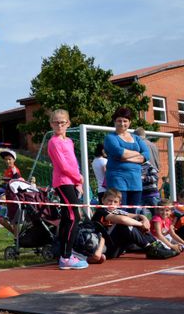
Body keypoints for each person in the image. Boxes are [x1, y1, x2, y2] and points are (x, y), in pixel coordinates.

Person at [47, 109, 88, 270]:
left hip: (72, 181)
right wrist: (78, 178)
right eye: (56, 122)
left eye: (62, 122)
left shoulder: (69, 141)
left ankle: (64, 253)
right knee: (73, 216)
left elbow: (73, 162)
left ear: (68, 123)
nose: (59, 125)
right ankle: (66, 257)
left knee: (67, 217)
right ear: (51, 124)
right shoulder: (54, 142)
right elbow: (63, 166)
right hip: (63, 182)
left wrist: (78, 182)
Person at [92, 188, 175, 259]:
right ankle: (149, 248)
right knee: (124, 224)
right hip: (105, 247)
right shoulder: (101, 211)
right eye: (109, 201)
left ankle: (155, 245)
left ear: (119, 203)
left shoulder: (116, 211)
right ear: (103, 200)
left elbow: (136, 215)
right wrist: (141, 224)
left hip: (117, 248)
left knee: (135, 220)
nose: (112, 204)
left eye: (115, 202)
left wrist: (144, 218)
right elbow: (123, 219)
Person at [103, 107, 149, 212]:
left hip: (135, 181)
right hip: (117, 180)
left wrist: (127, 157)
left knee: (133, 213)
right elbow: (119, 153)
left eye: (125, 121)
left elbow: (146, 155)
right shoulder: (110, 138)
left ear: (129, 122)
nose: (122, 123)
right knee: (120, 213)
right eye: (119, 121)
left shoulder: (137, 138)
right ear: (114, 121)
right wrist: (137, 153)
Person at [0, 150, 21, 235]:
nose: (7, 161)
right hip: (8, 198)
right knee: (1, 219)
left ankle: (17, 237)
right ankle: (17, 236)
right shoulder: (7, 171)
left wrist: (3, 179)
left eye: (9, 159)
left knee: (14, 222)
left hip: (13, 198)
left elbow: (16, 181)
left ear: (14, 160)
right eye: (6, 159)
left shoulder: (14, 170)